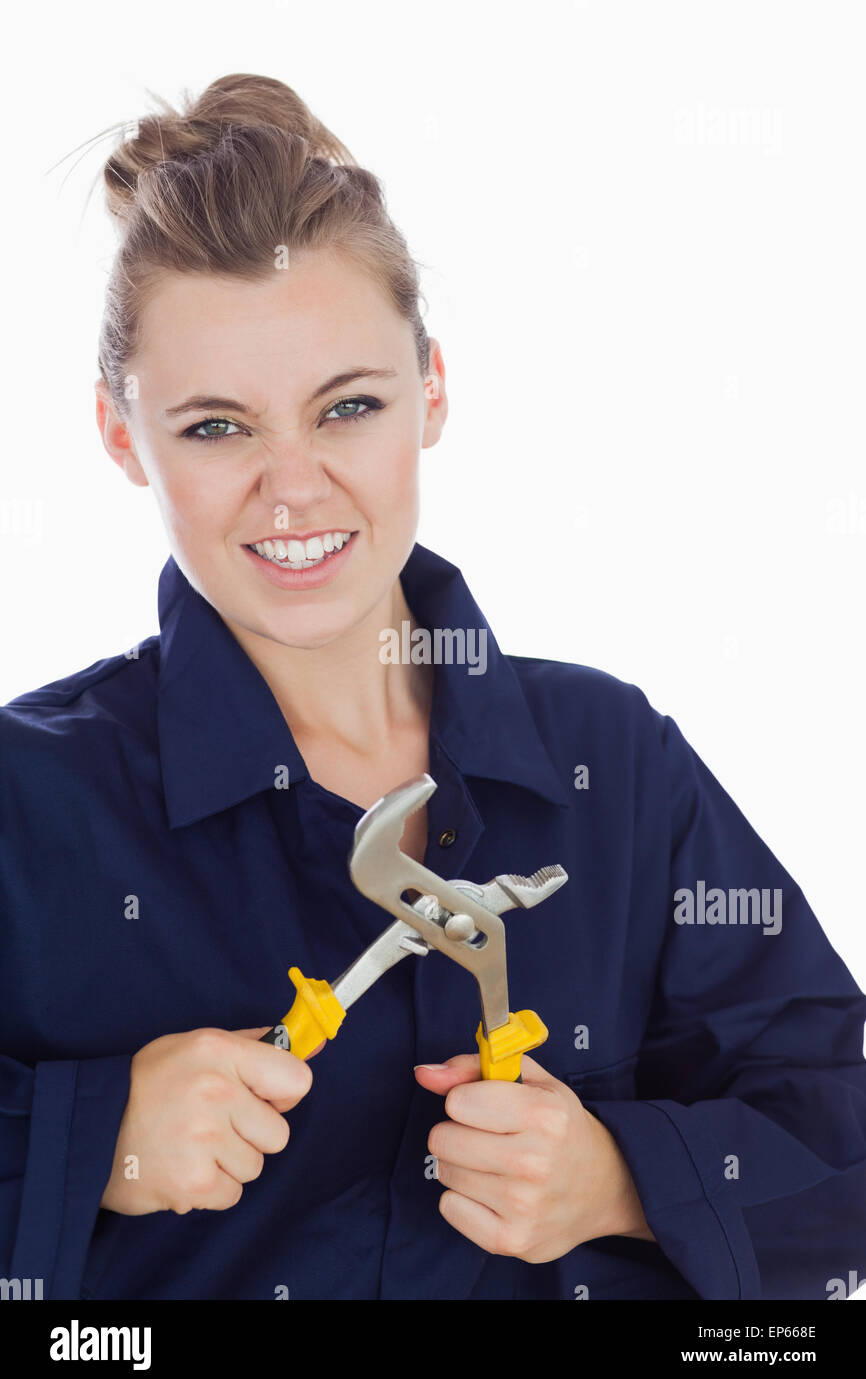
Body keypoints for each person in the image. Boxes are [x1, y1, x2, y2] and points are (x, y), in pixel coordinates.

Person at [1, 72, 865, 1302]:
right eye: (215, 427)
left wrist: (618, 1180)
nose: (291, 488)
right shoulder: (28, 801)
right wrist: (90, 1142)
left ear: (433, 393)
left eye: (345, 407)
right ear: (118, 434)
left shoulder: (611, 764)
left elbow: (838, 1140)